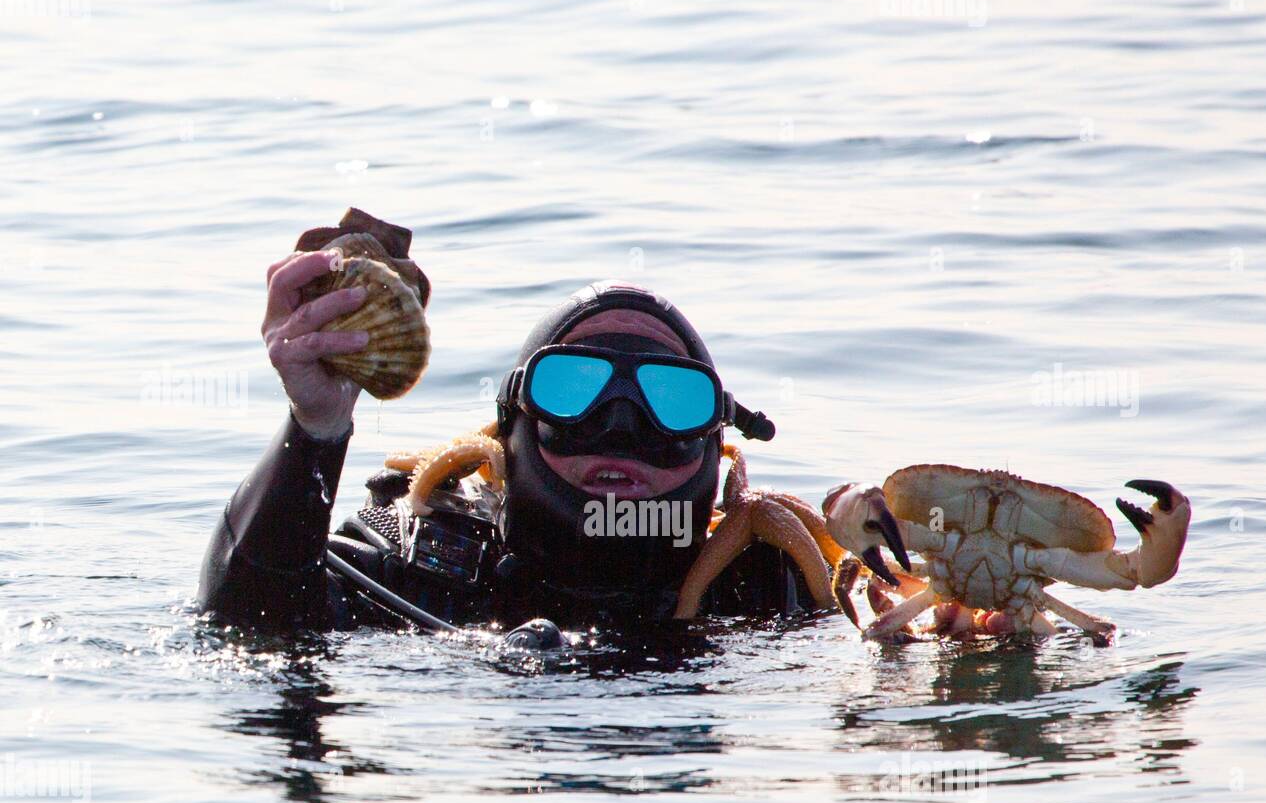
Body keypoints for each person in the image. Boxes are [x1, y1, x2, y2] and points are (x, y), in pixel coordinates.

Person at [197, 241, 842, 638]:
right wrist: (317, 428)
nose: (619, 426)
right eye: (572, 388)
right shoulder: (421, 559)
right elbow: (249, 624)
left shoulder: (773, 581)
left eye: (671, 400)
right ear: (510, 428)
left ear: (715, 440)